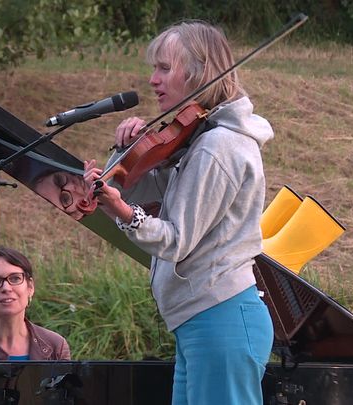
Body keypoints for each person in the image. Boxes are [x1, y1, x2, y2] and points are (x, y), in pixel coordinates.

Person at [83, 21, 274, 405]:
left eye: (164, 68)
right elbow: (143, 189)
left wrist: (121, 210)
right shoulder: (200, 139)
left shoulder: (216, 147)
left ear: (200, 71)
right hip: (200, 319)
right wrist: (122, 155)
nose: (153, 80)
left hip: (219, 317)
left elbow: (174, 239)